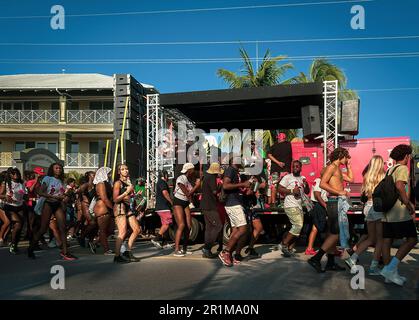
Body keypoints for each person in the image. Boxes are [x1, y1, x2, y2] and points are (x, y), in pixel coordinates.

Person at [307, 148, 353, 272]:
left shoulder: (337, 168)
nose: (347, 158)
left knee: (334, 233)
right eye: (346, 157)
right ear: (341, 156)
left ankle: (331, 263)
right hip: (334, 202)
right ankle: (316, 259)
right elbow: (322, 184)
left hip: (337, 202)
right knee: (335, 234)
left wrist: (349, 166)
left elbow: (351, 179)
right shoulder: (332, 167)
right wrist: (339, 192)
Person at [379, 145, 417, 286]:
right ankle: (389, 269)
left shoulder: (390, 169)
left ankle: (390, 275)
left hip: (387, 212)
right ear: (406, 156)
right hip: (398, 212)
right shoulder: (402, 168)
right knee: (412, 239)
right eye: (409, 155)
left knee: (387, 240)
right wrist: (408, 204)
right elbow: (400, 186)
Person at [344, 156, 386, 274]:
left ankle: (352, 258)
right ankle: (373, 267)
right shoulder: (383, 177)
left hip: (367, 207)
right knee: (380, 240)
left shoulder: (367, 176)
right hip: (377, 208)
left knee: (371, 238)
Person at [28, 163, 77, 260]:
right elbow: (40, 192)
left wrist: (65, 195)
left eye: (60, 168)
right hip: (48, 204)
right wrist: (53, 197)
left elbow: (61, 193)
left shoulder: (61, 181)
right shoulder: (48, 178)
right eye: (56, 168)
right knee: (43, 228)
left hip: (58, 204)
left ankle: (65, 252)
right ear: (52, 169)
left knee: (62, 227)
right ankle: (31, 248)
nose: (59, 170)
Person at [218, 157, 251, 267]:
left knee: (235, 230)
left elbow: (233, 187)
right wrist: (242, 185)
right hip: (233, 204)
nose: (241, 160)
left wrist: (245, 186)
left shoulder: (235, 172)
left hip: (234, 203)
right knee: (243, 229)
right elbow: (225, 185)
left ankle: (229, 254)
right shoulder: (231, 170)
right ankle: (225, 252)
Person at [277, 160, 310, 257]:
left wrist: (306, 185)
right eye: (293, 166)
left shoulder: (302, 178)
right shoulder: (288, 177)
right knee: (298, 226)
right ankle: (284, 244)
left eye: (297, 166)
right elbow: (279, 188)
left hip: (299, 205)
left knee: (298, 229)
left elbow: (307, 191)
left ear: (301, 168)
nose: (295, 168)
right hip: (290, 205)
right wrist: (292, 190)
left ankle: (290, 249)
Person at [113, 163, 141, 263]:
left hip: (128, 208)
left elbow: (129, 198)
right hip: (120, 208)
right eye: (123, 169)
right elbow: (115, 199)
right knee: (122, 232)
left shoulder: (129, 183)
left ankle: (127, 252)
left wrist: (135, 196)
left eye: (127, 169)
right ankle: (117, 256)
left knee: (137, 229)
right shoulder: (118, 183)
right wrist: (126, 192)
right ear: (119, 172)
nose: (126, 171)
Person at [172, 163, 201, 257]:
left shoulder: (188, 180)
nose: (194, 172)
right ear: (189, 170)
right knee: (181, 225)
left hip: (185, 203)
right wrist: (196, 186)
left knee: (188, 226)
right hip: (178, 202)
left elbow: (190, 196)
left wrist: (191, 203)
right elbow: (187, 193)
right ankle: (176, 249)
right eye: (193, 170)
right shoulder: (181, 178)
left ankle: (184, 248)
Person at [0, 167, 27, 254]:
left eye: (17, 173)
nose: (16, 175)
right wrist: (6, 197)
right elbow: (0, 195)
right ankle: (11, 242)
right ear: (10, 175)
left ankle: (14, 243)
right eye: (13, 173)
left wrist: (26, 197)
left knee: (19, 226)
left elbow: (24, 194)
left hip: (19, 206)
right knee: (18, 222)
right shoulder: (6, 183)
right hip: (9, 206)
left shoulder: (21, 183)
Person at [201, 163, 224, 259]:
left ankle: (207, 250)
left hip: (205, 205)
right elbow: (215, 191)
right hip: (210, 205)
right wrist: (221, 186)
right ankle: (207, 247)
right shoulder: (211, 178)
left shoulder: (207, 177)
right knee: (218, 225)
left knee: (209, 228)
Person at [305, 169, 328, 255]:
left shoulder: (322, 182)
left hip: (320, 205)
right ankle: (309, 248)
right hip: (319, 205)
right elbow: (317, 195)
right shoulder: (318, 181)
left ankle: (310, 248)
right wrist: (326, 206)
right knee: (316, 228)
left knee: (316, 228)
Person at [267, 132, 292, 207]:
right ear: (285, 138)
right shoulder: (289, 144)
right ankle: (286, 203)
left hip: (275, 170)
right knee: (285, 186)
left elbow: (269, 155)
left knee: (274, 185)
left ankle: (273, 203)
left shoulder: (274, 146)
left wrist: (278, 163)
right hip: (285, 170)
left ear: (278, 138)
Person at [93, 167, 114, 255]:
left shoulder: (106, 184)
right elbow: (104, 198)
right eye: (108, 173)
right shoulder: (101, 183)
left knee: (110, 229)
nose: (110, 175)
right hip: (102, 208)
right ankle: (106, 249)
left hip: (106, 208)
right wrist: (113, 208)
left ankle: (95, 242)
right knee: (103, 230)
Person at [151, 170, 174, 249]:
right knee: (167, 224)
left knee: (165, 225)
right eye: (167, 175)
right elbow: (165, 193)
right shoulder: (162, 182)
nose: (168, 177)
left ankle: (164, 243)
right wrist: (171, 202)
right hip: (163, 207)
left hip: (162, 207)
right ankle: (156, 239)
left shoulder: (160, 182)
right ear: (165, 175)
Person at [0, 171, 10, 247]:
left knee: (9, 223)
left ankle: (4, 239)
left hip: (7, 204)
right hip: (1, 204)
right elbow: (0, 195)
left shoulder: (8, 184)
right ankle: (0, 238)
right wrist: (6, 196)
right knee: (7, 222)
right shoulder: (4, 183)